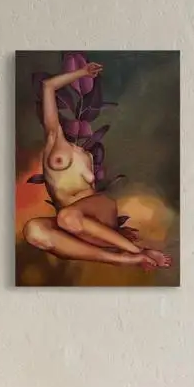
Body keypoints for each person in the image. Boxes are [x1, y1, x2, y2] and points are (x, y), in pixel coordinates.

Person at [22, 62, 173, 270]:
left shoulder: (83, 153)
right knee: (33, 231)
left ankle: (137, 252)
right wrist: (81, 73)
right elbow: (48, 86)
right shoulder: (54, 140)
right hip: (75, 225)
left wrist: (84, 73)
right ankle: (122, 259)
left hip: (97, 211)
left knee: (67, 217)